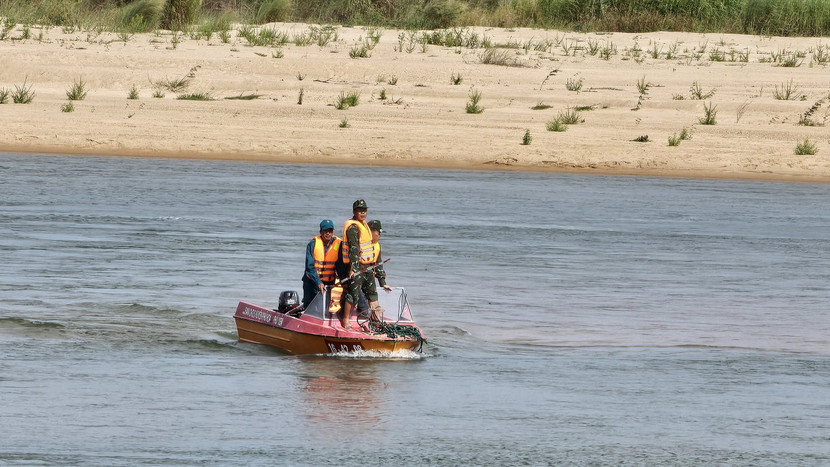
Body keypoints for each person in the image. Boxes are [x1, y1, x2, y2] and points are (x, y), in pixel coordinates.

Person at [339, 199, 386, 329]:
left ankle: (377, 322)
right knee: (353, 295)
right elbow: (353, 248)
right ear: (354, 212)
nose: (362, 213)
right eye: (360, 211)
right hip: (357, 267)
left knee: (372, 294)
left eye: (364, 211)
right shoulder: (353, 227)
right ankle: (346, 320)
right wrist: (353, 269)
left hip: (368, 267)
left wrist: (382, 281)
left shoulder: (365, 225)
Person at [301, 219, 341, 310]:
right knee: (310, 307)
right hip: (312, 282)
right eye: (325, 231)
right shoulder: (312, 244)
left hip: (329, 283)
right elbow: (309, 267)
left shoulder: (338, 244)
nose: (328, 233)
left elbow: (340, 265)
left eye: (330, 231)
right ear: (320, 232)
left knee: (326, 307)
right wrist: (318, 282)